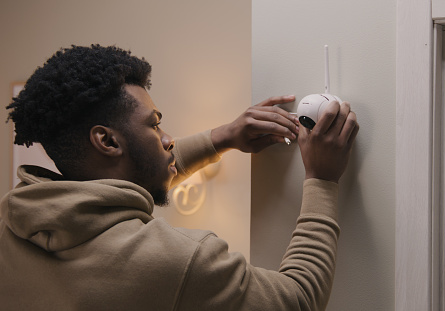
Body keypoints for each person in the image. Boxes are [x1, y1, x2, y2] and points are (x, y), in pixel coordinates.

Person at [0, 45, 358, 310]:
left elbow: (122, 184)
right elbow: (298, 299)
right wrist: (321, 179)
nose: (169, 139)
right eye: (155, 125)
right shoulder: (175, 262)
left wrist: (222, 137)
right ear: (107, 141)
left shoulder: (15, 225)